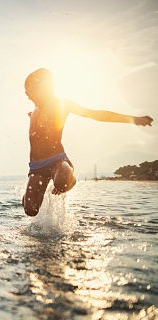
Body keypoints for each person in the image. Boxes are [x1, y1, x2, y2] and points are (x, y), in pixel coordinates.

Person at [22, 68, 153, 216]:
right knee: (30, 210)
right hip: (36, 166)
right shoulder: (35, 109)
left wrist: (133, 119)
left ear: (46, 87)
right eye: (27, 93)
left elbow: (96, 115)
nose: (29, 97)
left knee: (61, 183)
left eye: (31, 92)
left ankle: (68, 178)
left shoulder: (62, 104)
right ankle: (34, 191)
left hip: (56, 159)